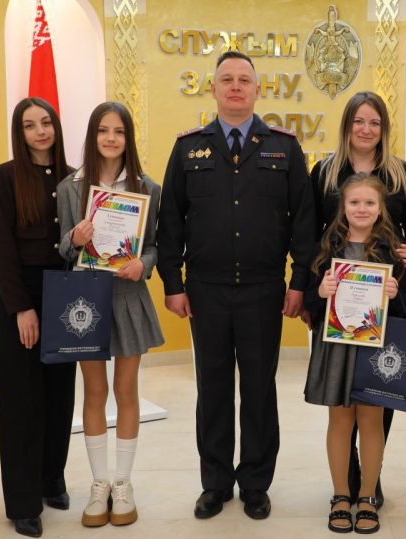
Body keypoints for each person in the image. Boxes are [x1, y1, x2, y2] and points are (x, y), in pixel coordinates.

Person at [157, 50, 316, 521]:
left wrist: (299, 283)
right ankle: (215, 483)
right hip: (205, 290)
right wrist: (173, 282)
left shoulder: (284, 148)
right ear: (213, 89)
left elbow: (303, 223)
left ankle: (255, 484)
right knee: (213, 389)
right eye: (226, 79)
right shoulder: (188, 149)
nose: (235, 87)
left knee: (259, 390)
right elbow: (171, 222)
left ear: (257, 90)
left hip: (264, 290)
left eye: (244, 80)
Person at [309, 90, 406, 506]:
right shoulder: (325, 172)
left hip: (389, 296)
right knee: (342, 402)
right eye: (359, 121)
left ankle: (368, 483)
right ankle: (348, 483)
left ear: (384, 128)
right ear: (347, 126)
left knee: (380, 396)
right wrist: (315, 295)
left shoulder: (400, 173)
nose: (366, 129)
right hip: (337, 300)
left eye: (374, 122)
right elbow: (310, 235)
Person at [57, 102, 164, 527]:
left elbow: (154, 245)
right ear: (93, 135)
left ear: (128, 138)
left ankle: (123, 484)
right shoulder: (70, 188)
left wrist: (144, 264)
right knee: (95, 391)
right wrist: (74, 237)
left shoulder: (147, 187)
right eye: (103, 130)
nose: (111, 138)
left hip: (127, 296)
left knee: (126, 389)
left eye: (119, 131)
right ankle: (98, 484)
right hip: (86, 301)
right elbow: (63, 249)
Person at [0, 97, 75, 538]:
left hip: (65, 294)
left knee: (60, 395)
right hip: (18, 297)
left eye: (46, 122)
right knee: (22, 401)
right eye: (29, 125)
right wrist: (22, 307)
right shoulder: (5, 178)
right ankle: (23, 501)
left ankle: (51, 479)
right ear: (19, 133)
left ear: (55, 126)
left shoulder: (74, 178)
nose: (40, 131)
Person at [304, 173, 405, 534]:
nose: (362, 209)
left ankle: (367, 497)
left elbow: (403, 314)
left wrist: (394, 293)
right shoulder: (327, 247)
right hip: (337, 347)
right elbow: (312, 305)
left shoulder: (392, 250)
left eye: (369, 203)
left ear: (380, 208)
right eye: (354, 202)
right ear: (343, 207)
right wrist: (321, 291)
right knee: (340, 422)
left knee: (372, 421)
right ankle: (340, 495)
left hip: (374, 349)